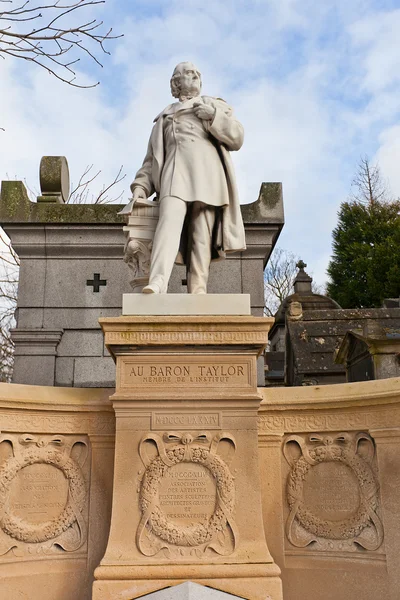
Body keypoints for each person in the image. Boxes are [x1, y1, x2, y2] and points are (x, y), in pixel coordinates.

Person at [130, 61, 246, 294]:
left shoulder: (214, 105)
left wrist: (213, 116)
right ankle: (158, 281)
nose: (194, 76)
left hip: (208, 174)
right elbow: (151, 160)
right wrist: (140, 187)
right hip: (174, 174)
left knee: (201, 232)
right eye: (187, 73)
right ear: (175, 83)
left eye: (197, 74)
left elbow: (237, 138)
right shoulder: (164, 117)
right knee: (168, 224)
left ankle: (198, 289)